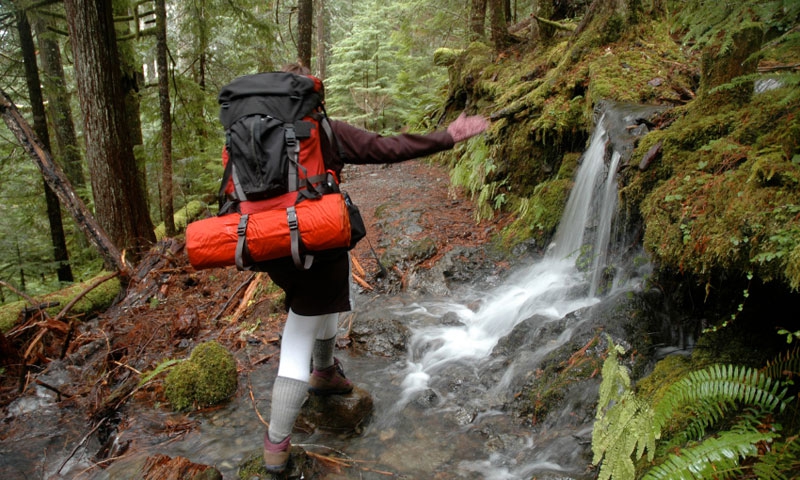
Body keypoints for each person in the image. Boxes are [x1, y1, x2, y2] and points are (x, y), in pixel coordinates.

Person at [244, 64, 489, 473]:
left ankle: (324, 373)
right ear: (313, 97)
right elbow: (388, 147)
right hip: (313, 240)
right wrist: (447, 136)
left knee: (318, 301)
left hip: (265, 243)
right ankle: (276, 445)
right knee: (300, 329)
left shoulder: (252, 134)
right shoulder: (322, 130)